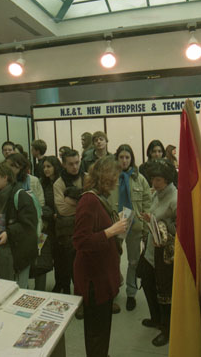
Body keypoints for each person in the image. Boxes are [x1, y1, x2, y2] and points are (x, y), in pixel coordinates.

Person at [74, 156, 128, 357]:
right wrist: (111, 231)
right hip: (94, 279)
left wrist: (113, 227)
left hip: (101, 275)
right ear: (105, 176)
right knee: (97, 331)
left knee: (102, 328)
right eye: (114, 176)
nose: (116, 181)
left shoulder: (99, 198)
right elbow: (80, 241)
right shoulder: (89, 200)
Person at [108, 144, 152, 311]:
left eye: (127, 157)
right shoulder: (110, 178)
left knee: (133, 261)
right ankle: (113, 288)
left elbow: (147, 203)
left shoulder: (140, 179)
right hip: (115, 224)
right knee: (113, 259)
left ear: (132, 159)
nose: (124, 161)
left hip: (134, 226)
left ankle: (131, 293)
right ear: (117, 159)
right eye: (121, 157)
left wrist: (146, 226)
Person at [139, 159, 177, 347]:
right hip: (150, 250)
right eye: (153, 179)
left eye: (158, 180)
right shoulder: (157, 194)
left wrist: (160, 225)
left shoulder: (175, 199)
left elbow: (180, 229)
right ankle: (156, 318)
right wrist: (150, 219)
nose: (154, 183)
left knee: (165, 292)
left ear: (168, 179)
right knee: (148, 284)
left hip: (165, 254)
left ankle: (167, 329)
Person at [0, 162, 38, 288]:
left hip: (18, 251)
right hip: (1, 249)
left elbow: (28, 224)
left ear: (5, 177)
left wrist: (9, 233)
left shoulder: (20, 195)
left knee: (18, 288)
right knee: (5, 286)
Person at [5, 152, 49, 289]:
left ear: (22, 167)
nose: (11, 169)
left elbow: (40, 202)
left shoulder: (32, 181)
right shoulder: (6, 183)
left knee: (38, 263)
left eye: (14, 166)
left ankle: (40, 291)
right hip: (16, 229)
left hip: (34, 225)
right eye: (8, 166)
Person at [53, 148, 83, 296]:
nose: (75, 167)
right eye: (71, 164)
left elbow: (94, 205)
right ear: (64, 164)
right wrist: (82, 204)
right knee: (70, 267)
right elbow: (62, 210)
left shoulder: (88, 178)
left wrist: (70, 201)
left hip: (86, 230)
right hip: (67, 233)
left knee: (86, 269)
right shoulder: (58, 184)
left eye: (77, 162)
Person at [40, 156, 63, 292]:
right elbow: (41, 204)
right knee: (51, 254)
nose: (46, 169)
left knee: (62, 257)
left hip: (62, 223)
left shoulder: (62, 182)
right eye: (44, 167)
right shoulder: (43, 184)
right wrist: (50, 213)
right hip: (48, 224)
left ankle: (63, 284)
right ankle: (58, 283)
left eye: (49, 166)